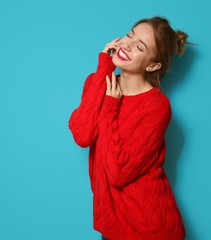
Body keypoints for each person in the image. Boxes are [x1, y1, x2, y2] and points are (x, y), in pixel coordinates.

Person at [69, 16, 190, 240]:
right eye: (130, 36)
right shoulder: (96, 81)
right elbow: (82, 135)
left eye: (139, 47)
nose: (126, 45)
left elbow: (118, 173)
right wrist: (104, 68)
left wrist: (111, 105)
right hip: (113, 224)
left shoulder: (156, 106)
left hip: (150, 228)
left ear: (152, 65)